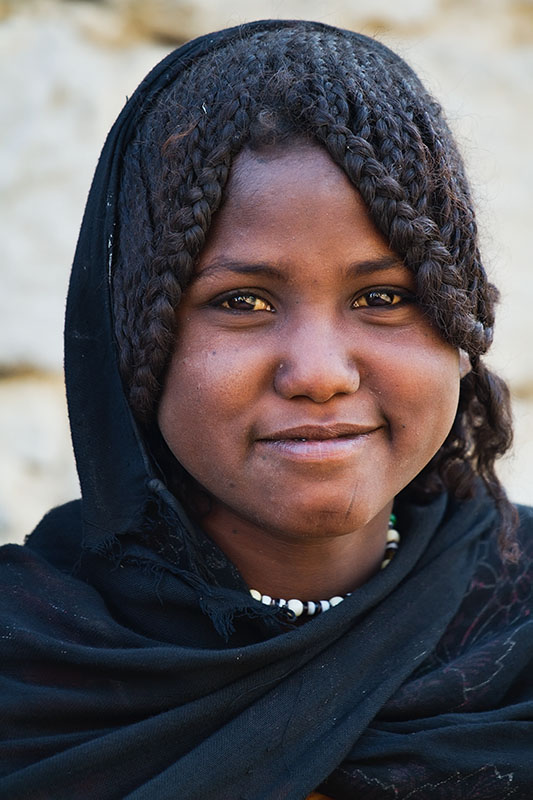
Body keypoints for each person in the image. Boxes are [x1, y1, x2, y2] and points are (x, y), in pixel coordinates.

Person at [1, 18, 532, 800]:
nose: (319, 375)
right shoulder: (29, 671)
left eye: (383, 297)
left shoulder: (512, 638)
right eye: (242, 301)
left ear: (458, 326)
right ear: (138, 340)